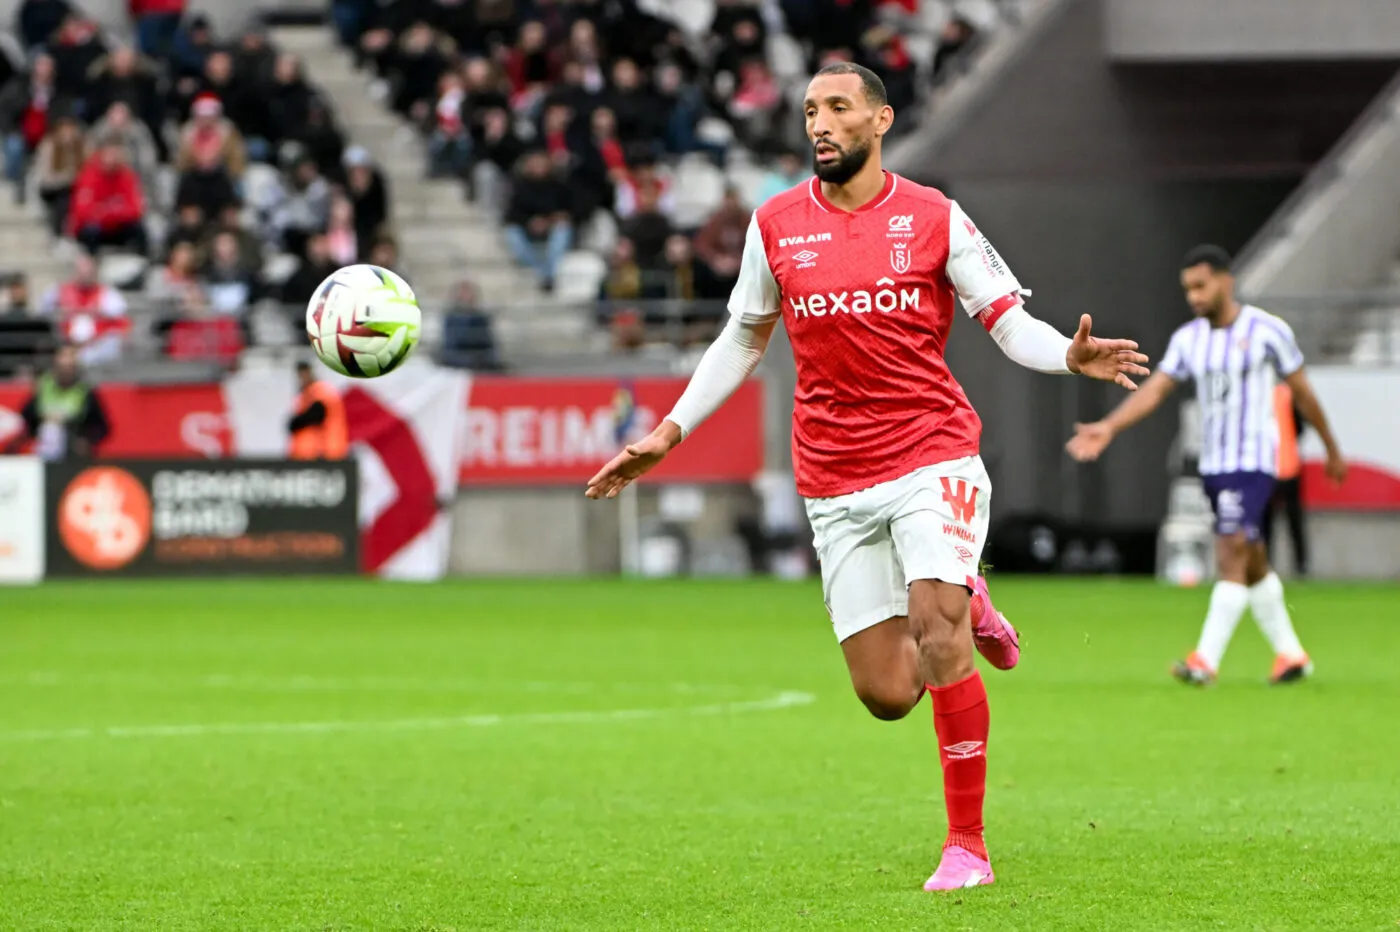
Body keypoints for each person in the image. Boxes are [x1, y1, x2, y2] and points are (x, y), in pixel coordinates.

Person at [584, 63, 1147, 891]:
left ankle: (968, 847)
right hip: (833, 474)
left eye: (838, 108)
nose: (820, 122)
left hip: (932, 451)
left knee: (937, 630)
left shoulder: (934, 217)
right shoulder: (775, 224)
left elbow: (1007, 323)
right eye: (811, 109)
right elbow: (742, 339)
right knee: (886, 693)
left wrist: (1067, 354)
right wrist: (668, 431)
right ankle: (970, 594)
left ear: (879, 121)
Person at [1067, 245, 1346, 685]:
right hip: (1214, 468)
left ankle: (1205, 661)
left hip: (1253, 462)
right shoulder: (1188, 340)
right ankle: (1291, 655)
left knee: (1230, 553)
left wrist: (1330, 447)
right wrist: (1109, 427)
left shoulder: (1267, 330)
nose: (1194, 296)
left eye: (1201, 285)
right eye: (1188, 289)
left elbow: (1303, 392)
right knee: (1251, 562)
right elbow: (1155, 390)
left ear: (1225, 280)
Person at [5, 344, 109, 460]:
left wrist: (87, 440)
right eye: (63, 364)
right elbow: (26, 419)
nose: (66, 369)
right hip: (42, 445)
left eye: (70, 366)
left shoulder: (85, 392)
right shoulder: (43, 387)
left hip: (72, 449)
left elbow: (102, 427)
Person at [1262, 382, 1308, 576]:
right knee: (1288, 520)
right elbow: (1300, 428)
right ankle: (1300, 566)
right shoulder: (1288, 393)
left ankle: (1270, 566)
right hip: (1282, 467)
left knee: (1273, 522)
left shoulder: (1263, 394)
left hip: (1273, 467)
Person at [288, 360, 348, 460]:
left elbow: (314, 415)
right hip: (317, 452)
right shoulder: (308, 393)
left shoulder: (320, 391)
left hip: (325, 452)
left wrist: (295, 422)